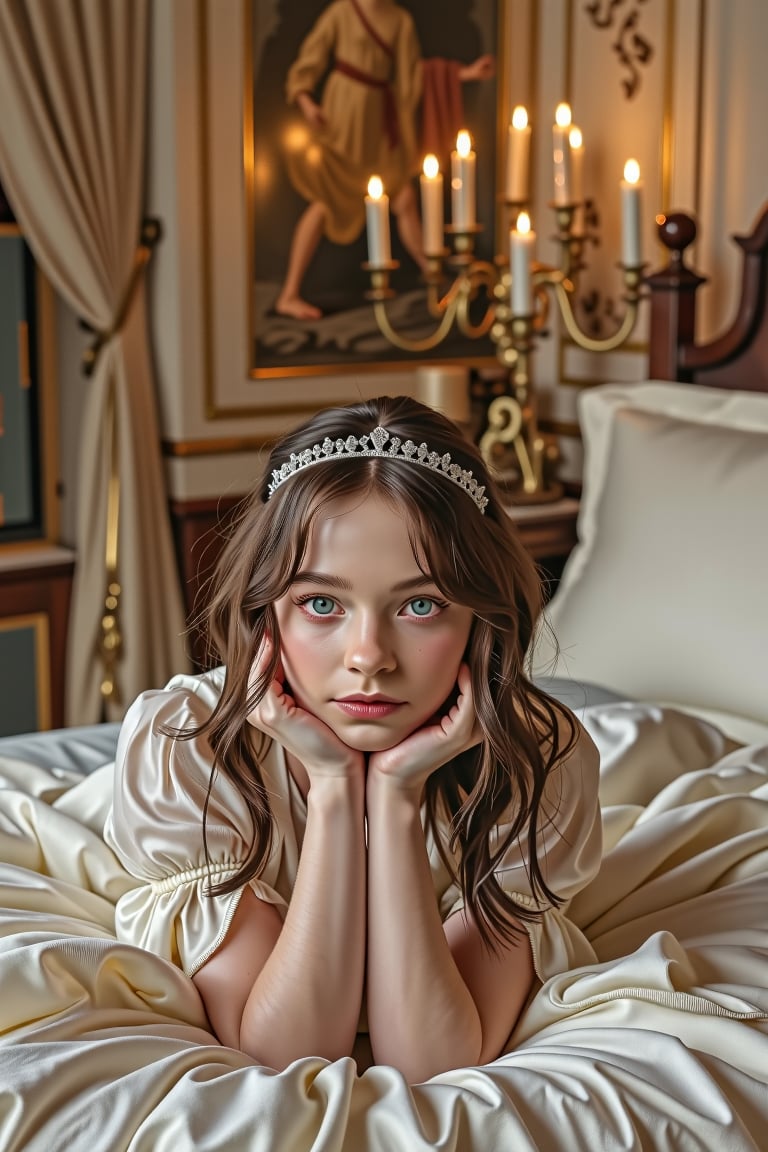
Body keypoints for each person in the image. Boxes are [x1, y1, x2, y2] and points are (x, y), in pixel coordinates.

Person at [104, 395, 602, 1083]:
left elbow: (435, 1057)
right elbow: (285, 1054)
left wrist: (396, 796)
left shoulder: (539, 760)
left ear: (479, 622)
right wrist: (337, 787)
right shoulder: (186, 744)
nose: (369, 655)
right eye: (322, 604)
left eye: (420, 605)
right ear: (265, 611)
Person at [275, 0, 495, 319]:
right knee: (325, 203)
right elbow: (312, 57)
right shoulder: (341, 12)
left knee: (403, 199)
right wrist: (307, 102)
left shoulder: (399, 20)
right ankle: (289, 292)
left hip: (380, 126)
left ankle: (436, 278)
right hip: (343, 119)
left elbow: (413, 74)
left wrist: (465, 74)